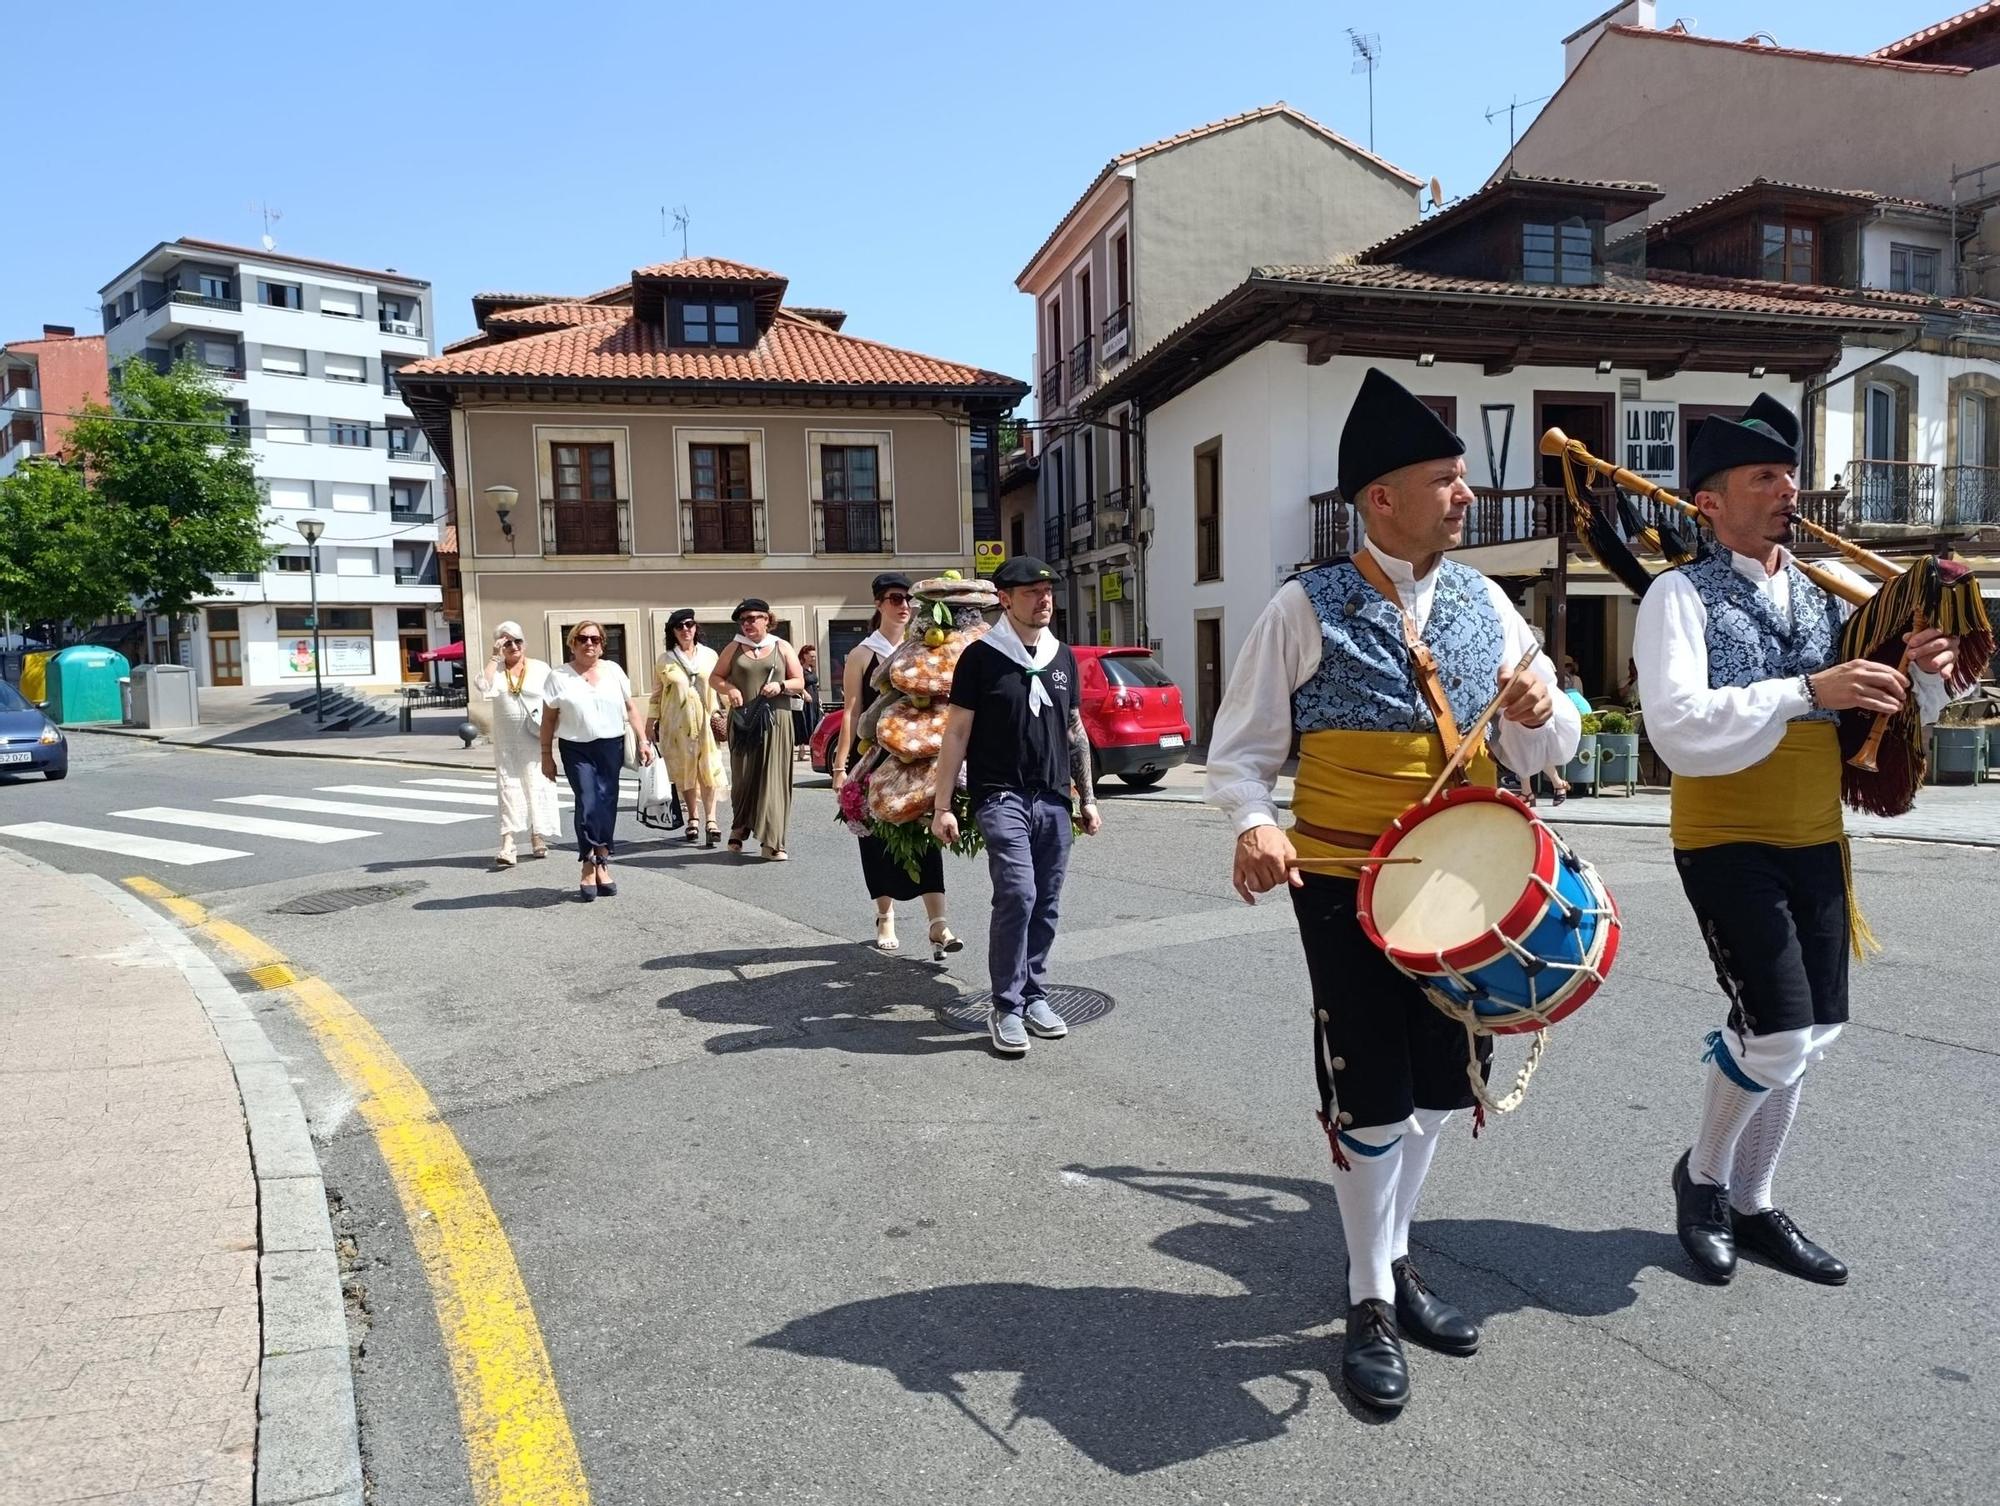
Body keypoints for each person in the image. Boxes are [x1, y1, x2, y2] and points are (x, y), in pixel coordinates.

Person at [1207, 368, 1579, 1414]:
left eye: (1463, 478)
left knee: (1438, 1086)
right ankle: (1369, 1295)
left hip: (1469, 881)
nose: (1466, 495)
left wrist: (1543, 707)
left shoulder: (1487, 601)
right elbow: (1239, 753)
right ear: (1380, 498)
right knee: (1369, 1088)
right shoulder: (1303, 604)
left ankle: (1394, 1254)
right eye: (1443, 479)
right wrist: (1253, 823)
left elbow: (1546, 746)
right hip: (1342, 880)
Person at [1635, 393, 1959, 1290]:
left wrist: (1924, 676)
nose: (1788, 491)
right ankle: (1703, 1182)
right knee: (1775, 1034)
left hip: (1817, 835)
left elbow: (1890, 714)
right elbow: (1676, 729)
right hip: (1725, 835)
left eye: (1789, 475)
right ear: (1709, 502)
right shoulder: (1676, 595)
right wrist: (1809, 689)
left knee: (1814, 1033)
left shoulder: (1826, 594)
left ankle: (1754, 1201)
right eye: (1764, 477)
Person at [931, 556, 1101, 1056]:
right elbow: (956, 733)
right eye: (1031, 592)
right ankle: (1005, 1006)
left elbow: (1074, 731)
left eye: (1047, 591)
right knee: (1018, 894)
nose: (1043, 599)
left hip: (1053, 798)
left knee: (1046, 901)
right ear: (1005, 600)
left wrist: (1088, 798)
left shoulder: (1061, 656)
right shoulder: (981, 657)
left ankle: (1034, 995)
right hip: (1000, 794)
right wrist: (942, 805)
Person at [833, 573, 960, 957]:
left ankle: (938, 923)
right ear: (878, 604)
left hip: (919, 753)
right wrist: (841, 767)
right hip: (874, 754)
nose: (903, 605)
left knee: (926, 834)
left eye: (907, 599)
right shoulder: (862, 654)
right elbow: (852, 711)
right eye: (894, 598)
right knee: (877, 840)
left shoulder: (921, 648)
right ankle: (884, 915)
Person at [539, 620, 653, 901]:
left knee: (607, 803)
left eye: (595, 639)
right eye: (582, 639)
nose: (589, 643)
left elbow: (630, 708)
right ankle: (588, 863)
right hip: (576, 749)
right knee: (588, 800)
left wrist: (643, 740)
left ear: (602, 645)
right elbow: (549, 719)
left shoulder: (613, 671)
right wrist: (546, 755)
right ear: (572, 644)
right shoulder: (558, 676)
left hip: (610, 746)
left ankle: (602, 859)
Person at [712, 599, 804, 860]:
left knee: (773, 779)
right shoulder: (734, 647)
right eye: (743, 620)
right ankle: (740, 827)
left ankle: (772, 842)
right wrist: (730, 688)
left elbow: (799, 681)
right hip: (743, 721)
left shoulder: (781, 646)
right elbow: (715, 678)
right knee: (743, 778)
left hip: (776, 721)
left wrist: (781, 686)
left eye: (753, 618)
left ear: (767, 619)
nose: (747, 624)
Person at [473, 620, 559, 867]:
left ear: (524, 643)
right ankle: (508, 844)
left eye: (517, 641)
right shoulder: (497, 670)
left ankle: (537, 836)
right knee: (508, 788)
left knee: (537, 786)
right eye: (507, 643)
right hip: (507, 743)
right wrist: (494, 657)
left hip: (535, 738)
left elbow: (555, 699)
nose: (513, 646)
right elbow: (482, 685)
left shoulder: (540, 668)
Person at [650, 609, 726, 847]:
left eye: (689, 624)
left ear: (695, 628)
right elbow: (656, 695)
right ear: (672, 632)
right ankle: (693, 817)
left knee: (709, 768)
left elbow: (720, 685)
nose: (685, 629)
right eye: (679, 626)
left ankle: (711, 820)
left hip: (706, 722)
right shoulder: (665, 659)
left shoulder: (710, 656)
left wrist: (732, 708)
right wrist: (649, 724)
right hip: (676, 724)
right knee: (686, 770)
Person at [794, 644, 822, 759]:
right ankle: (802, 751)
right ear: (804, 656)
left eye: (814, 656)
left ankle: (811, 750)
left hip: (814, 700)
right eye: (811, 656)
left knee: (814, 723)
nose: (813, 658)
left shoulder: (812, 669)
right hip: (805, 701)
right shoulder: (799, 669)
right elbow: (798, 683)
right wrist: (805, 693)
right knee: (804, 723)